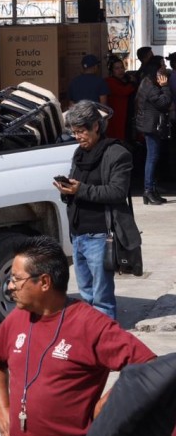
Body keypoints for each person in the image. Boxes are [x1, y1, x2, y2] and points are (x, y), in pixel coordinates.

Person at [0, 235, 156, 436]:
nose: (10, 286)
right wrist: (2, 410)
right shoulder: (17, 318)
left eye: (17, 279)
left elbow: (150, 366)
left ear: (44, 282)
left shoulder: (91, 325)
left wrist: (108, 405)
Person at [54, 101, 138, 319]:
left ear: (96, 127)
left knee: (102, 300)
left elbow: (117, 192)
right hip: (79, 234)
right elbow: (78, 188)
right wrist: (67, 190)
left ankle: (106, 345)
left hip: (100, 236)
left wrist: (80, 189)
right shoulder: (78, 154)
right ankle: (91, 342)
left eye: (81, 131)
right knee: (86, 296)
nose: (77, 137)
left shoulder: (117, 153)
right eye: (74, 132)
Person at [134, 56, 172, 205]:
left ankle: (152, 189)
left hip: (152, 125)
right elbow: (165, 102)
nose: (165, 66)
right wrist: (166, 87)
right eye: (162, 64)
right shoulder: (151, 86)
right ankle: (148, 190)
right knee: (152, 157)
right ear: (156, 69)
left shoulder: (149, 82)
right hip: (151, 126)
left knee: (154, 157)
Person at [104, 56, 136, 141]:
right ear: (112, 71)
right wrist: (132, 83)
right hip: (117, 116)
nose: (120, 70)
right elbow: (123, 92)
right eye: (117, 68)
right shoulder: (109, 81)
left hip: (127, 116)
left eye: (122, 67)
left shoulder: (125, 80)